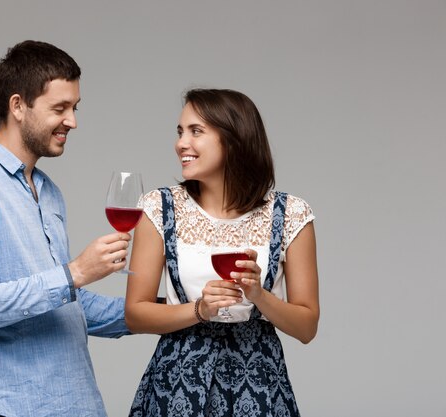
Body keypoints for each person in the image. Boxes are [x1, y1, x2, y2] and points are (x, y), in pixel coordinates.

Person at [0, 40, 131, 417]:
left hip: (78, 404)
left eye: (75, 107)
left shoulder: (49, 192)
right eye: (60, 108)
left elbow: (66, 305)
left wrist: (164, 311)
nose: (73, 121)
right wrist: (77, 272)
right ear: (17, 105)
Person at [125, 88, 320, 416]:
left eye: (196, 131)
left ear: (234, 140)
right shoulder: (159, 207)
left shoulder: (291, 214)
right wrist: (200, 309)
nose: (181, 143)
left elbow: (307, 327)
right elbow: (136, 313)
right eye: (180, 131)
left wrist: (259, 295)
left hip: (259, 381)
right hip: (178, 381)